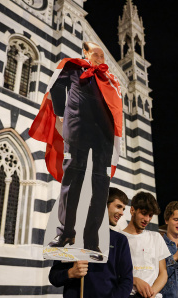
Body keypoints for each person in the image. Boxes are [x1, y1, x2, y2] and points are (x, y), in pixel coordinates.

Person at [42, 41, 123, 252]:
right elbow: (57, 87)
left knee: (101, 186)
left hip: (103, 137)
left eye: (102, 55)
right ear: (85, 53)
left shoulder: (110, 79)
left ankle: (92, 240)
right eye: (95, 53)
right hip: (77, 131)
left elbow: (116, 108)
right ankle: (66, 233)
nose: (99, 58)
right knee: (71, 180)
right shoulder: (72, 67)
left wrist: (115, 139)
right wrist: (60, 114)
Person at [48, 187, 133, 298]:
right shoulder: (69, 237)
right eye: (118, 206)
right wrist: (70, 273)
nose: (121, 213)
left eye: (123, 208)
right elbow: (53, 276)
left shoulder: (120, 240)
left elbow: (127, 282)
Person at [119, 191, 170, 298]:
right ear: (132, 210)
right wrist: (134, 280)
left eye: (150, 215)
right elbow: (115, 274)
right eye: (143, 213)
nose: (147, 219)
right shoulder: (119, 238)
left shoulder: (156, 237)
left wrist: (150, 295)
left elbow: (163, 273)